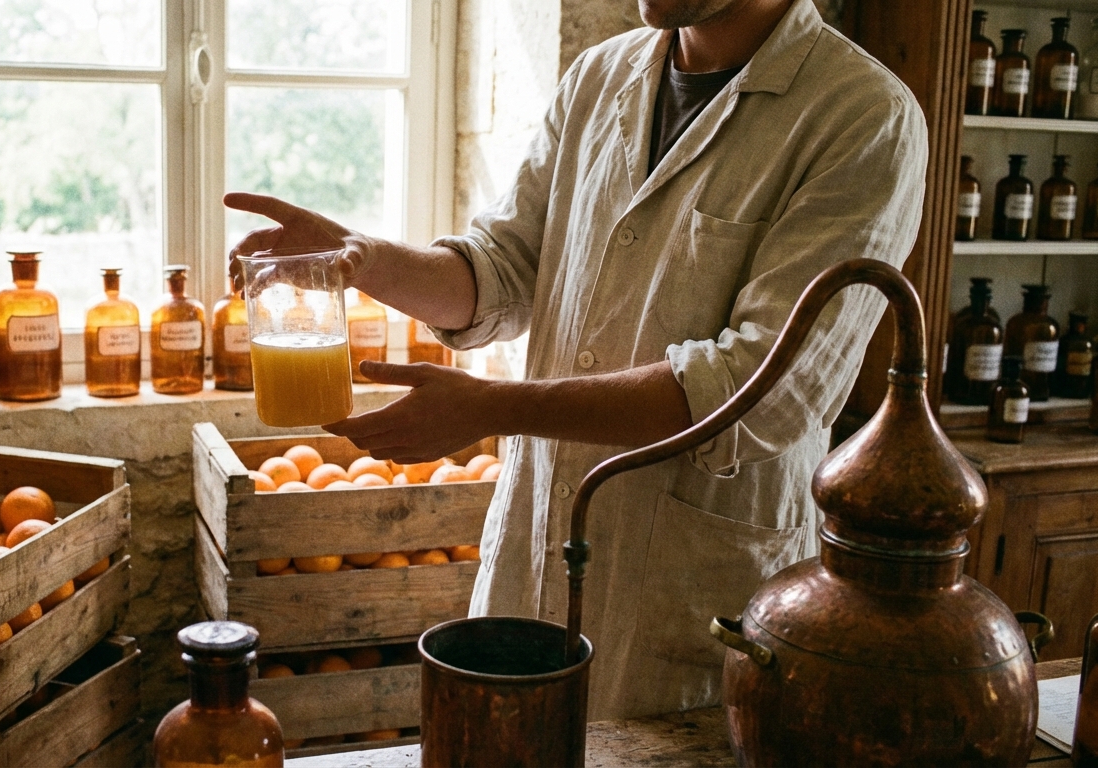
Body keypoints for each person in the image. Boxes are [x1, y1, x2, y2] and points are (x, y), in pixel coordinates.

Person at [225, 0, 927, 719]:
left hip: (690, 577)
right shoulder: (599, 75)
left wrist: (494, 408)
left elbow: (762, 389)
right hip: (537, 547)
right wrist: (363, 258)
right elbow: (501, 270)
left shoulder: (862, 114)